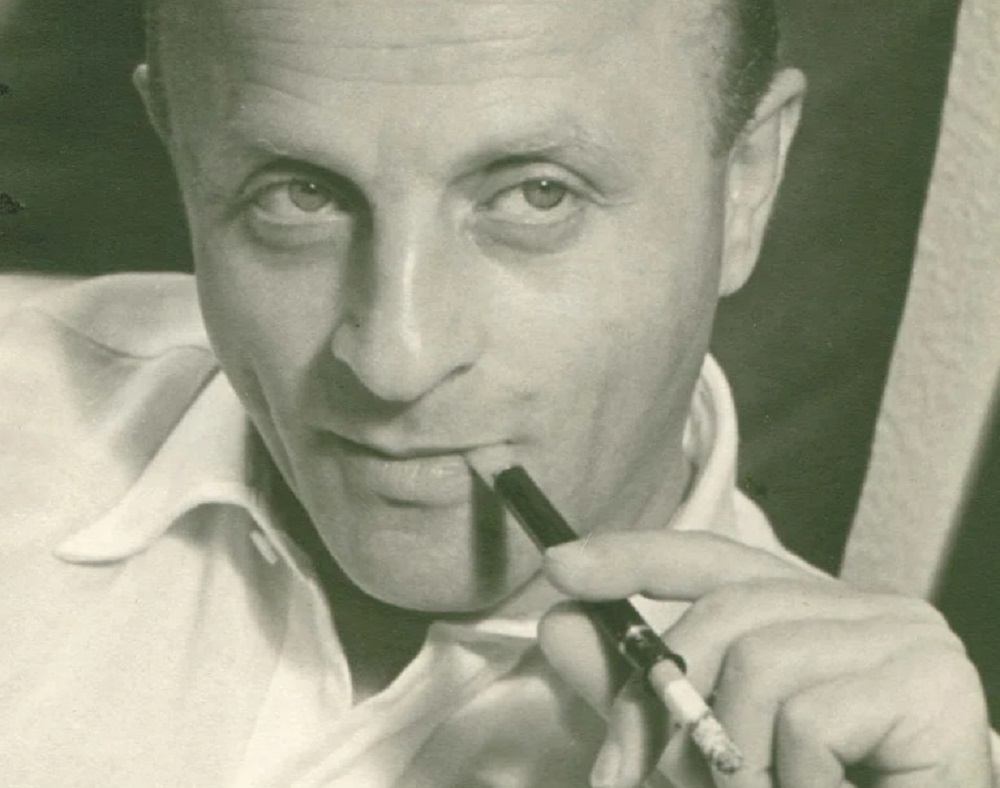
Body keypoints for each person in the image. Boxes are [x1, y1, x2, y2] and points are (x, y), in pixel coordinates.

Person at [0, 1, 993, 786]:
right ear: (178, 150)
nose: (394, 361)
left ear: (746, 183)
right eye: (299, 193)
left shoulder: (886, 764)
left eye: (535, 193)